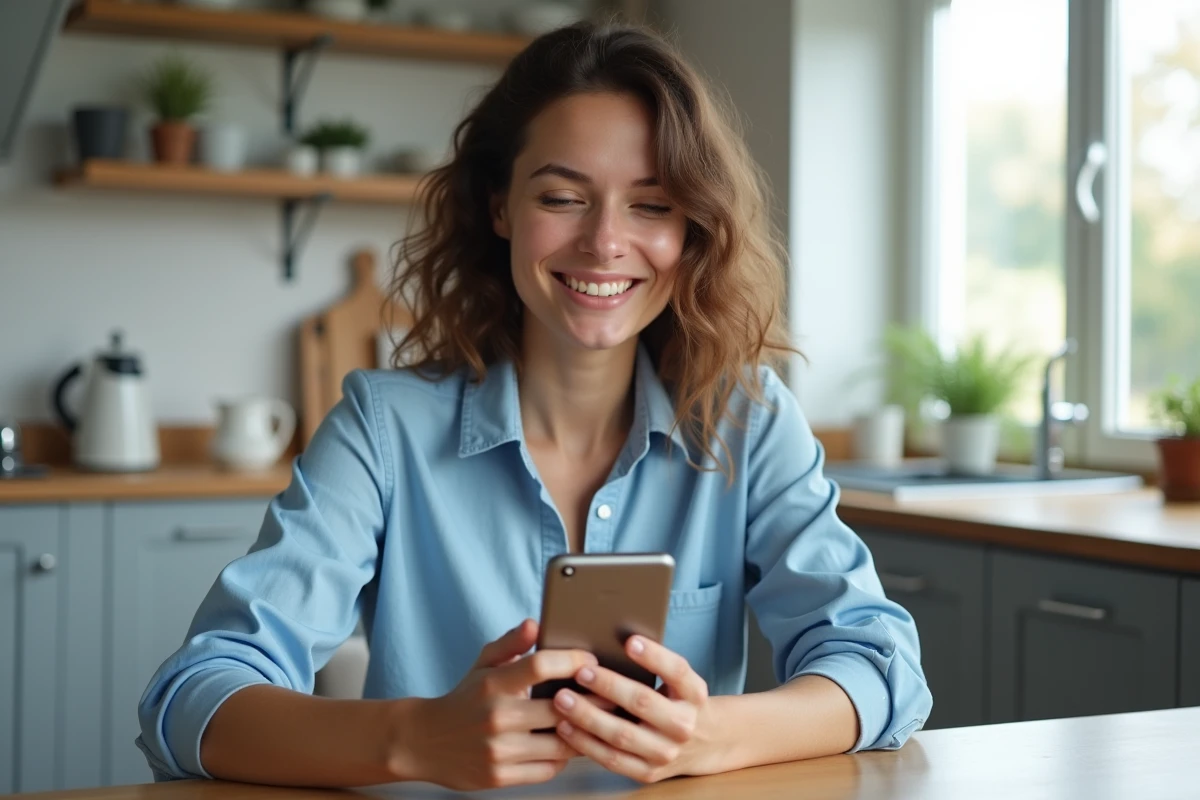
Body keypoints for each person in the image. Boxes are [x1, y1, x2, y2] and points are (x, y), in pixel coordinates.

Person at [136, 20, 931, 791]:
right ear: (499, 206)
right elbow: (192, 698)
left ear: (691, 230)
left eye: (651, 206)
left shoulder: (746, 422)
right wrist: (416, 741)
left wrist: (712, 735)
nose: (605, 243)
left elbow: (882, 667)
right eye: (563, 197)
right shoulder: (384, 430)